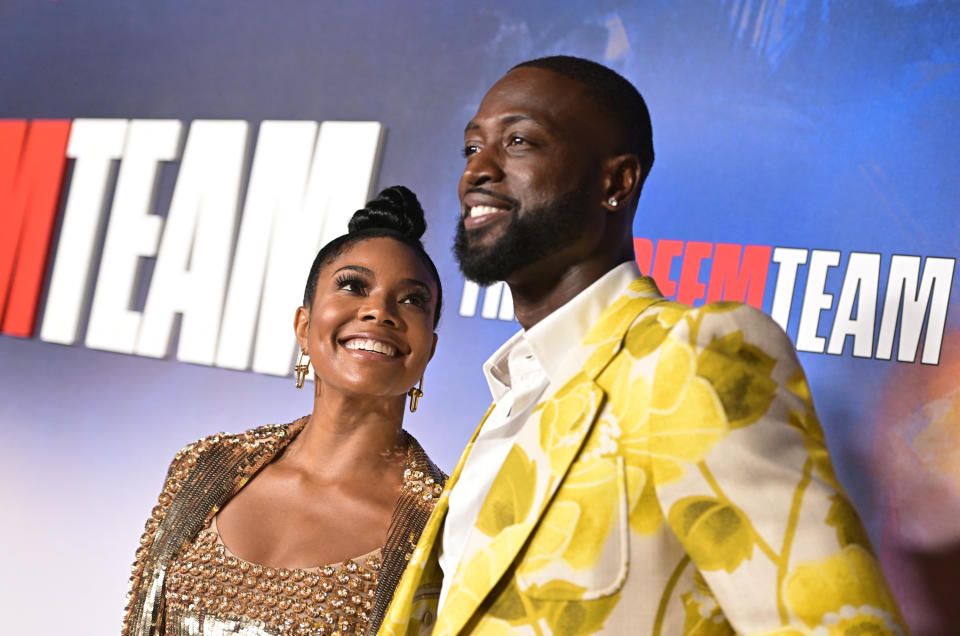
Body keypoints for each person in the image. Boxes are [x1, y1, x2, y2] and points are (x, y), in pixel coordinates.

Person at [380, 57, 907, 635]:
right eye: (471, 148)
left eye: (519, 141)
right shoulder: (513, 397)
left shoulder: (691, 354)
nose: (477, 170)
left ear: (616, 181)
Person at [122, 186, 446, 636]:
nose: (379, 310)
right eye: (353, 286)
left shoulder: (441, 527)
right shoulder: (204, 466)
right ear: (304, 325)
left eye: (412, 300)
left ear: (428, 348)